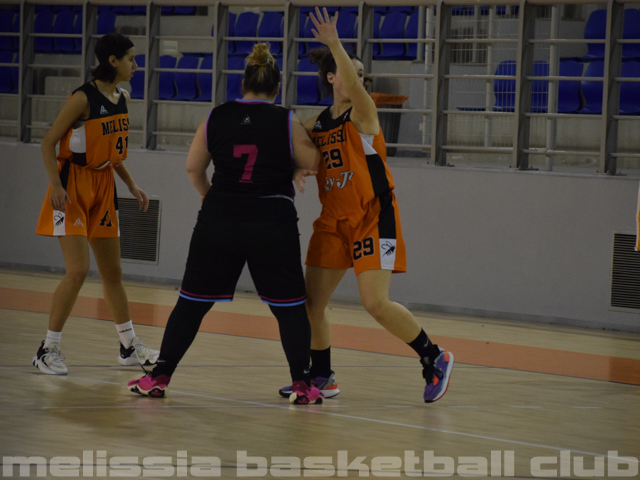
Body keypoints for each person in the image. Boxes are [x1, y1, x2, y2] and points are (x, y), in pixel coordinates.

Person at [127, 43, 323, 405]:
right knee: (289, 308)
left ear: (242, 84)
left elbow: (193, 167)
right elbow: (315, 162)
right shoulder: (287, 120)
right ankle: (302, 385)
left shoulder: (215, 116)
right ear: (277, 88)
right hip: (271, 221)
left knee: (191, 303)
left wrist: (208, 195)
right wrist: (295, 164)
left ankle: (159, 376)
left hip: (219, 219)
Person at [277, 8, 454, 403]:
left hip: (373, 217)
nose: (357, 77)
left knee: (375, 303)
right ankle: (322, 375)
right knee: (311, 304)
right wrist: (297, 166)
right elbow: (292, 138)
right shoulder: (316, 125)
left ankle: (434, 357)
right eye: (349, 70)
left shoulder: (364, 113)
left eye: (360, 73)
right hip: (333, 221)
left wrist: (334, 42)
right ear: (330, 77)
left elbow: (356, 89)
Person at [33, 34, 159, 375]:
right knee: (77, 271)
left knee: (113, 273)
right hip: (73, 185)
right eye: (131, 58)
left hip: (104, 187)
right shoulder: (82, 98)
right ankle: (47, 349)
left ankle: (128, 346)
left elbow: (111, 153)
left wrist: (131, 184)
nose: (136, 65)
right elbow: (47, 143)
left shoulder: (123, 98)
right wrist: (55, 184)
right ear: (113, 61)